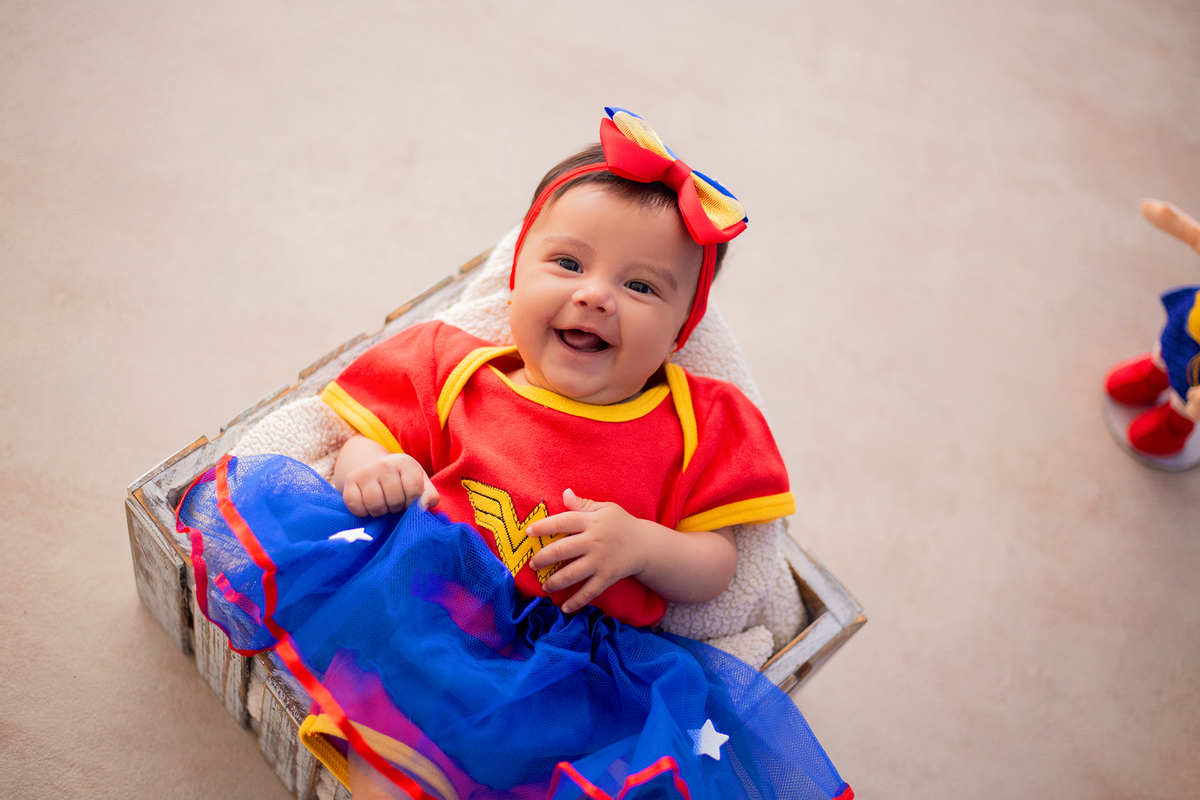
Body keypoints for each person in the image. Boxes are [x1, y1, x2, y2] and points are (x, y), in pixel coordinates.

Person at [179, 108, 851, 800]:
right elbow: (364, 435)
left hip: (572, 666)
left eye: (641, 286)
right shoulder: (456, 367)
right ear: (517, 277)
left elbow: (720, 566)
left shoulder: (700, 421)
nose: (594, 294)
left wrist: (643, 548)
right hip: (434, 608)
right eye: (566, 263)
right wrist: (369, 470)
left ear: (683, 328)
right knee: (395, 758)